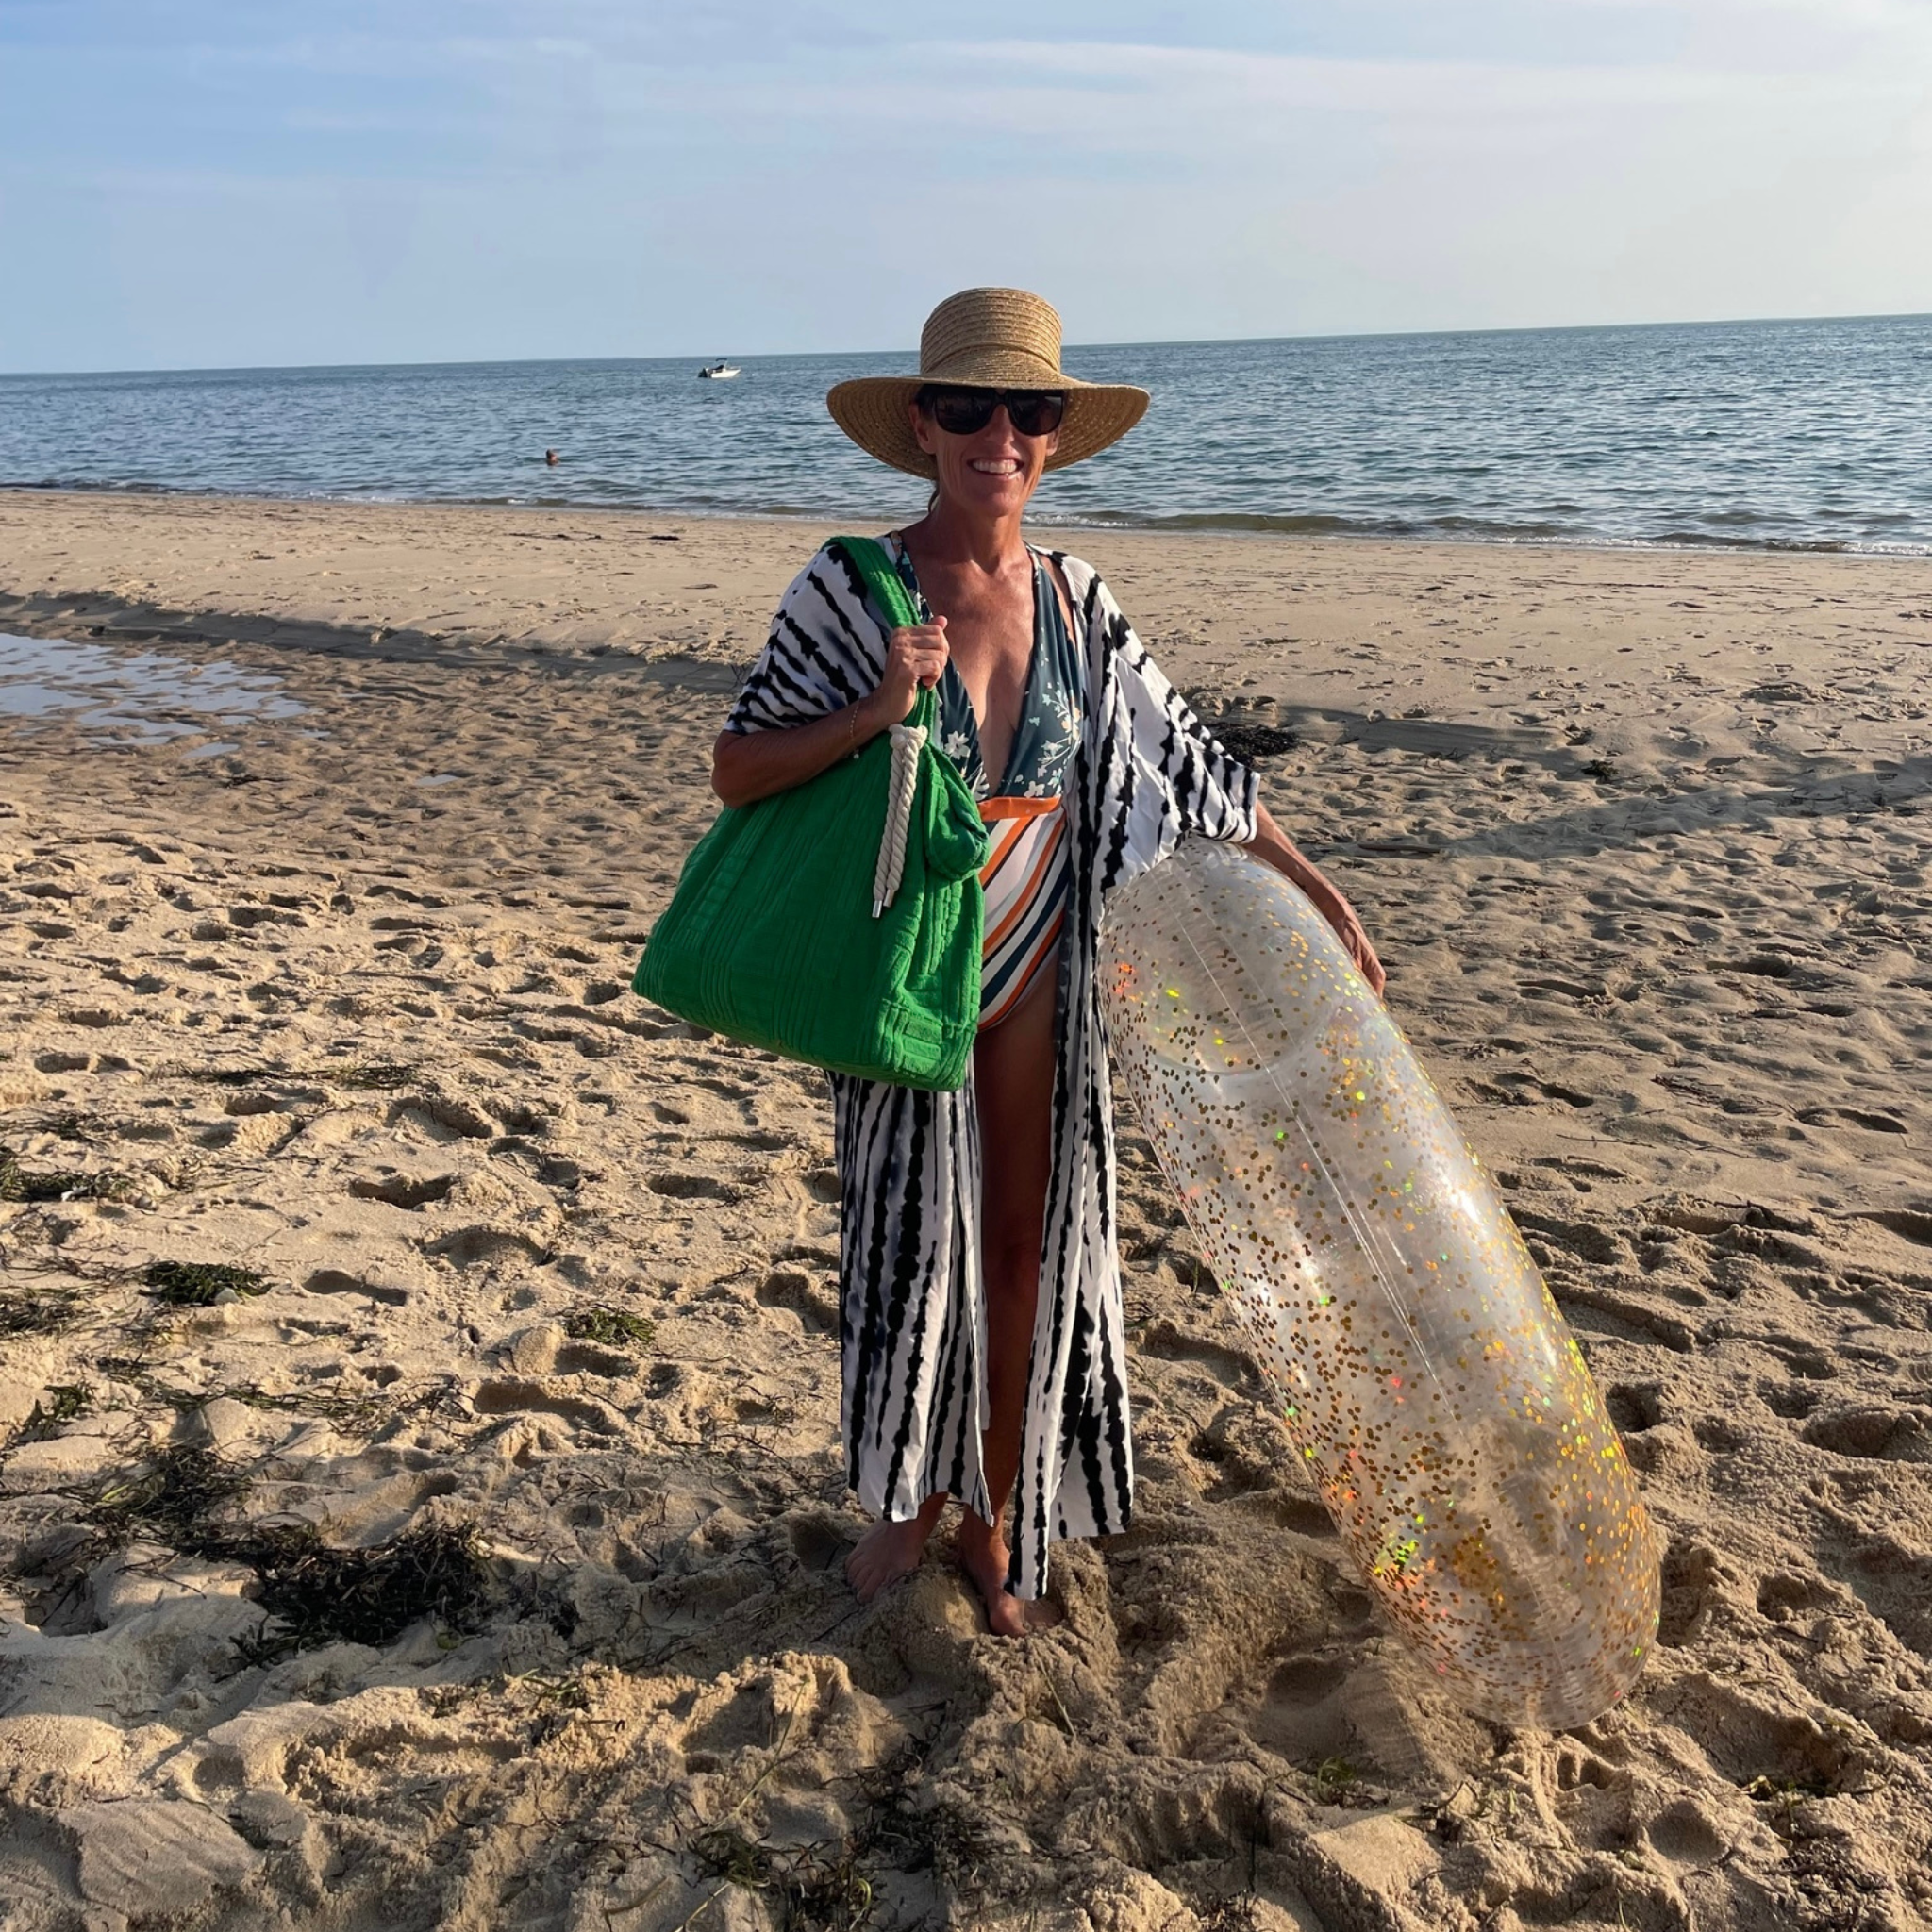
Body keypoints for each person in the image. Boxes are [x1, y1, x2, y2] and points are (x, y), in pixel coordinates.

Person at [710, 288, 1383, 1637]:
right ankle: (907, 1505)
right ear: (922, 425)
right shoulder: (854, 587)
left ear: (1057, 437)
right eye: (968, 408)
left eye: (1027, 411)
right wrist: (878, 708)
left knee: (1031, 1241)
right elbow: (738, 769)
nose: (998, 435)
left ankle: (1003, 1510)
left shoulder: (1078, 598)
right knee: (912, 1242)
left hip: (1047, 960)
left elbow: (1187, 768)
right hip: (914, 955)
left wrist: (1318, 893)